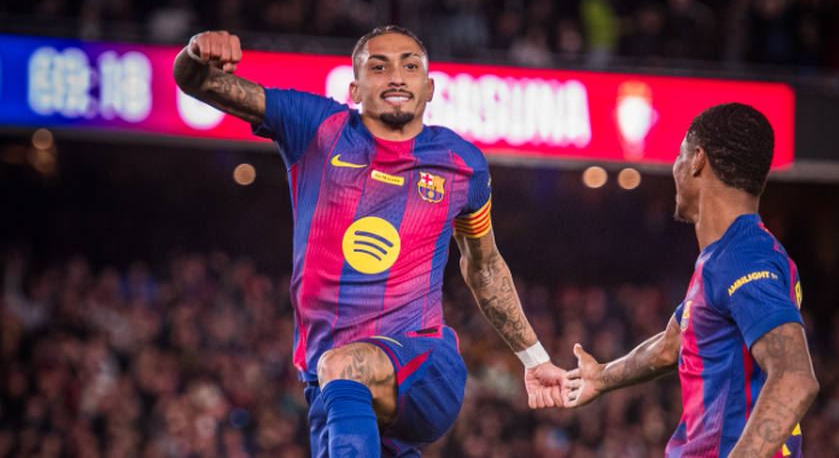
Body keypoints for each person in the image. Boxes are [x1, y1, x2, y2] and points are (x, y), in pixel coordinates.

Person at [172, 26, 566, 457]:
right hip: (333, 388)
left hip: (424, 365)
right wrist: (196, 54)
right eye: (379, 67)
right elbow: (195, 81)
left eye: (410, 67)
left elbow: (484, 267)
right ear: (355, 88)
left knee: (342, 366)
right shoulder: (317, 127)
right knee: (340, 380)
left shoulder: (462, 164)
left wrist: (535, 359)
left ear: (429, 88)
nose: (396, 77)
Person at [563, 103, 819, 457]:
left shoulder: (744, 258)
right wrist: (600, 377)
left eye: (679, 154)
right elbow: (672, 345)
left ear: (697, 159)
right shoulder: (725, 257)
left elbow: (794, 377)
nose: (675, 167)